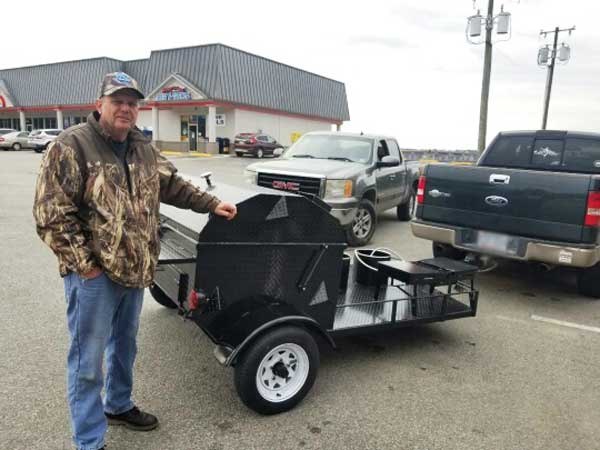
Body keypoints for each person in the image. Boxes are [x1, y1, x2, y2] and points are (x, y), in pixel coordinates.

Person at [33, 72, 237, 450]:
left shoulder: (142, 146)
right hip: (92, 278)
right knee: (87, 362)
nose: (125, 108)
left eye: (132, 102)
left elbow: (172, 185)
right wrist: (87, 267)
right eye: (117, 101)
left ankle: (119, 405)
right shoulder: (71, 145)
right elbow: (51, 214)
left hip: (134, 270)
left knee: (125, 345)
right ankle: (89, 440)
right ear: (100, 105)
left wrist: (212, 204)